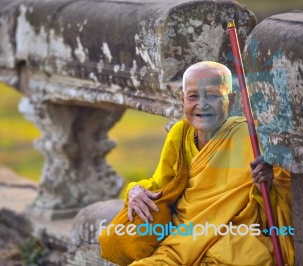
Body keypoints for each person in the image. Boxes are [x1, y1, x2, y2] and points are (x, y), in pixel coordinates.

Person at [124, 61, 294, 265]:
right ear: (182, 100)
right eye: (193, 96)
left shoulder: (251, 138)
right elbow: (161, 187)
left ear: (231, 101)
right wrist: (135, 191)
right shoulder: (180, 134)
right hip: (183, 244)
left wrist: (264, 185)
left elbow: (281, 204)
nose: (202, 105)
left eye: (213, 95)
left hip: (234, 245)